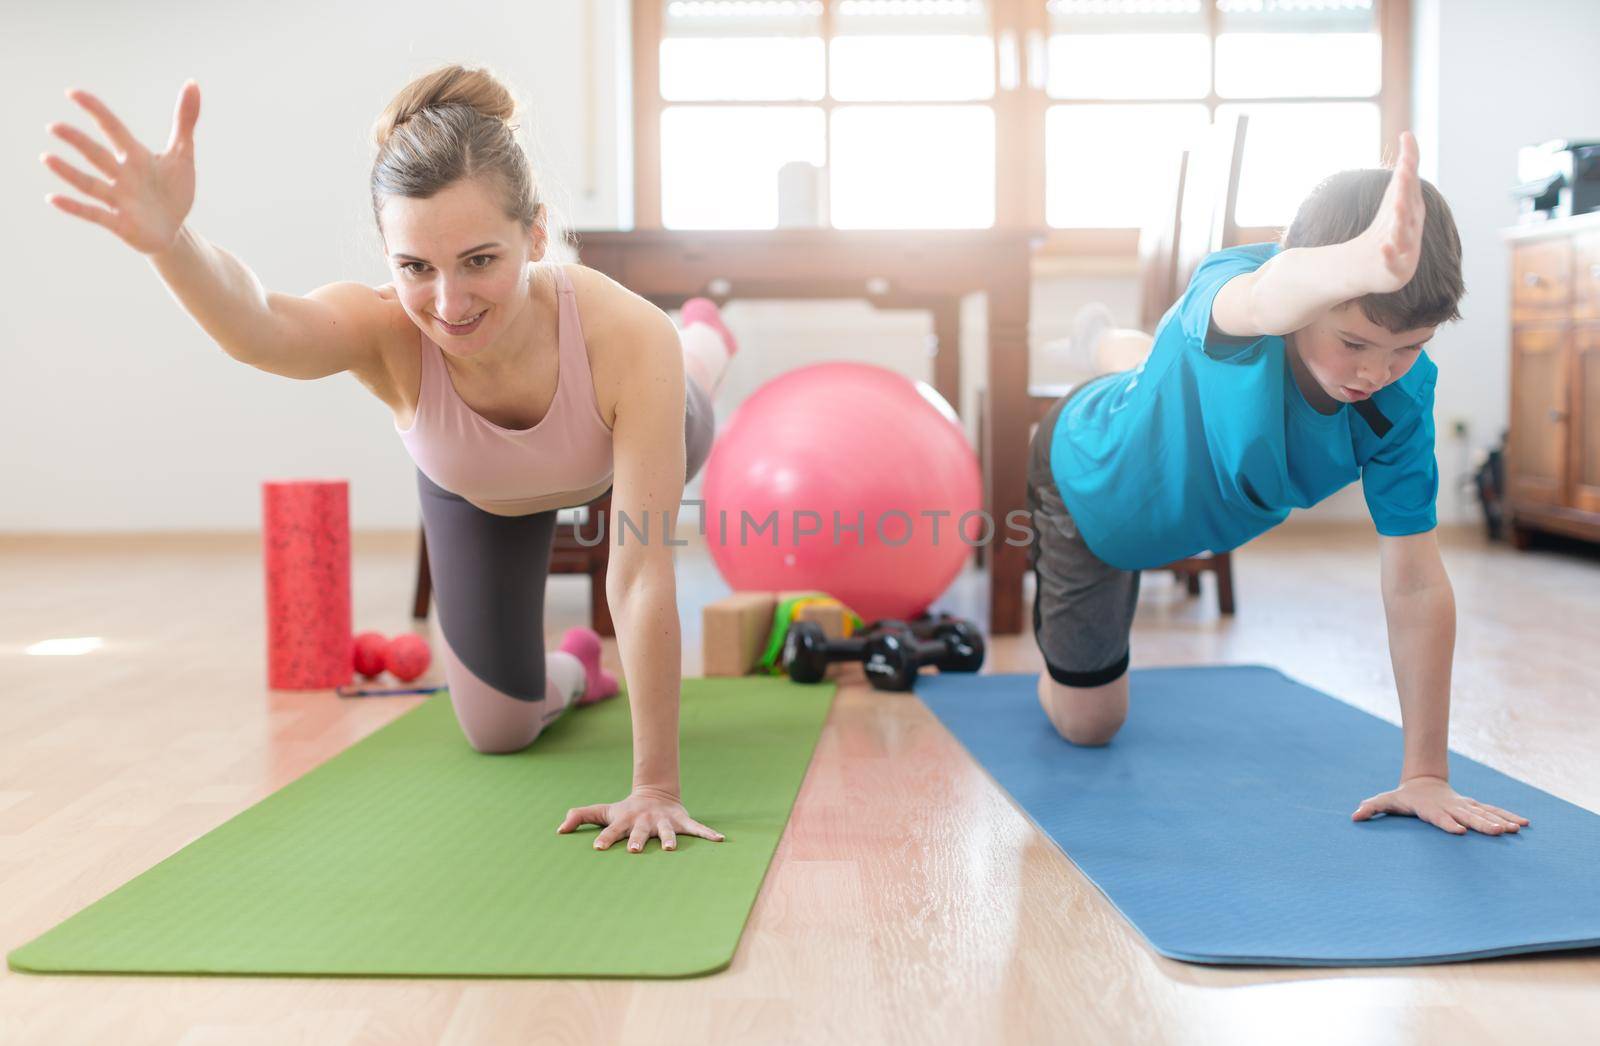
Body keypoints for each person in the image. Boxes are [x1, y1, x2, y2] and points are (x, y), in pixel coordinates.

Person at [42, 65, 738, 855]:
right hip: (483, 497)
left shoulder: (624, 333)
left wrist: (654, 788)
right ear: (388, 254)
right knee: (499, 730)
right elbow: (261, 323)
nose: (449, 305)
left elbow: (640, 572)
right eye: (416, 267)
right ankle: (577, 670)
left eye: (480, 260)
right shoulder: (384, 330)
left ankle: (707, 339)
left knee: (688, 373)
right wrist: (173, 245)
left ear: (535, 234)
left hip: (638, 432)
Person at [1026, 132, 1529, 837]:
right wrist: (1356, 262)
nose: (1375, 372)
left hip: (1174, 432)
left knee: (1165, 366)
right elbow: (1265, 300)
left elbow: (1415, 581)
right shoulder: (1243, 292)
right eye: (1354, 343)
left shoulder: (1399, 404)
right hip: (1088, 482)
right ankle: (1112, 355)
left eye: (1407, 347)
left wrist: (1425, 773)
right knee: (1090, 725)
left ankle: (1119, 346)